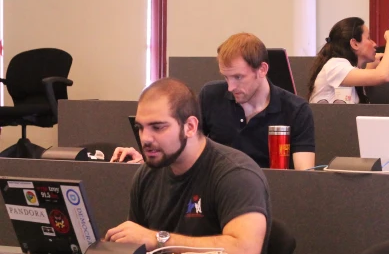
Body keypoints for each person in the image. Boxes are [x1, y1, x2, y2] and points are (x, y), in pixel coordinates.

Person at [105, 78, 271, 254]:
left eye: (158, 127)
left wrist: (160, 240)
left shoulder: (236, 174)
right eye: (140, 128)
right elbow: (137, 248)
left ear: (190, 127)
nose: (145, 139)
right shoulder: (147, 175)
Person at [112, 33, 316, 170]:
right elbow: (185, 147)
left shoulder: (296, 110)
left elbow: (303, 177)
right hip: (215, 192)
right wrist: (146, 158)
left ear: (262, 69)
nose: (230, 87)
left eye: (238, 77)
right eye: (226, 77)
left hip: (268, 195)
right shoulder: (211, 96)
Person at [308, 17, 389, 103]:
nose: (374, 44)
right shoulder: (335, 65)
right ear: (355, 44)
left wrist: (369, 69)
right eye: (368, 38)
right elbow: (383, 76)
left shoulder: (344, 68)